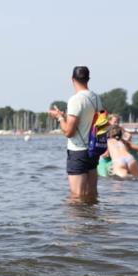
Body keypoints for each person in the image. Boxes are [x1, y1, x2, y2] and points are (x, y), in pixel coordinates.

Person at [48, 66, 104, 202]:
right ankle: (93, 221)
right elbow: (91, 120)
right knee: (91, 194)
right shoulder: (96, 98)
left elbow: (69, 132)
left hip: (78, 151)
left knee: (77, 196)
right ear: (88, 79)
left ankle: (77, 223)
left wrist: (60, 118)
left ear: (72, 79)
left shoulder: (75, 100)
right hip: (93, 149)